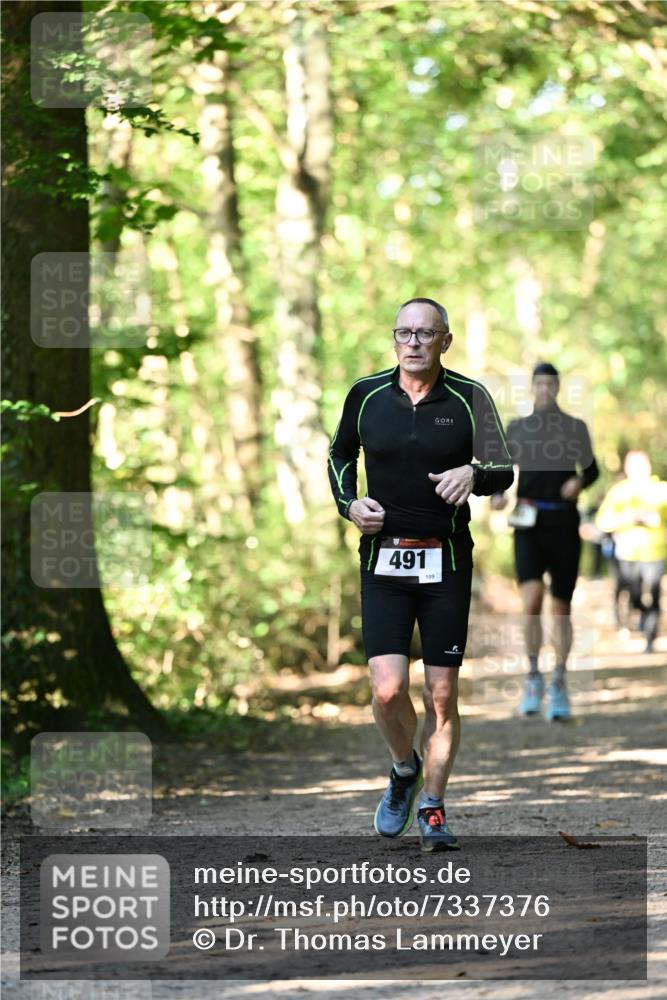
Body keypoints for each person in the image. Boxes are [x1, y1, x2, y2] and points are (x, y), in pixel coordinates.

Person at [328, 297, 513, 852]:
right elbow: (339, 455)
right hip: (382, 559)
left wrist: (473, 474)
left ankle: (432, 805)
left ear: (444, 341)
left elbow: (502, 468)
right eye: (403, 333)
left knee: (441, 694)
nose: (413, 343)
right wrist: (349, 504)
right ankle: (403, 768)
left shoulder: (470, 397)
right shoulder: (365, 395)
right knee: (387, 690)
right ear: (394, 339)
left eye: (425, 334)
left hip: (446, 561)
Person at [490, 363, 599, 721]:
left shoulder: (575, 428)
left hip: (563, 523)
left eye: (550, 384)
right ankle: (534, 676)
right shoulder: (518, 428)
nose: (545, 390)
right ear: (532, 388)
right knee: (532, 600)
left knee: (561, 607)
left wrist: (579, 482)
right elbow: (502, 470)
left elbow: (592, 470)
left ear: (558, 387)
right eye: (539, 384)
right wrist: (498, 495)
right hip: (528, 523)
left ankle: (560, 682)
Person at [595, 451, 667, 653]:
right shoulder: (619, 492)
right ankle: (640, 612)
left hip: (654, 551)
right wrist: (629, 518)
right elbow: (603, 521)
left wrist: (657, 519)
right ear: (627, 469)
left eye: (642, 465)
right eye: (634, 466)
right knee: (633, 593)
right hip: (627, 552)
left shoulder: (661, 490)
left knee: (654, 592)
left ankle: (651, 637)